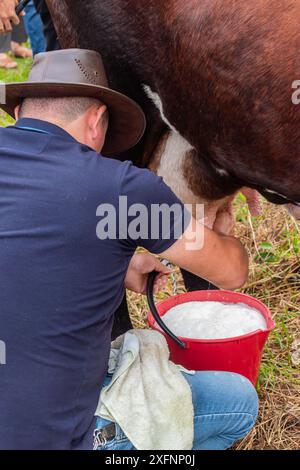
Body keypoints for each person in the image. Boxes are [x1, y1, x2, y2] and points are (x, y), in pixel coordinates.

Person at [0, 48, 258, 450]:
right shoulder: (122, 192)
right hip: (52, 435)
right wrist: (219, 228)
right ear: (97, 122)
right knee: (236, 403)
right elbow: (230, 271)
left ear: (19, 114)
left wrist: (114, 263)